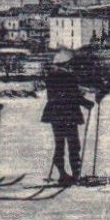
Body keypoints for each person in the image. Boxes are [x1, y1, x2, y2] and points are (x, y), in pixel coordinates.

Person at [40, 50, 92, 185]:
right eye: (70, 63)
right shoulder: (69, 77)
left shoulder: (50, 77)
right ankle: (76, 173)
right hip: (68, 114)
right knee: (73, 144)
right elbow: (73, 95)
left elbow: (60, 94)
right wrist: (87, 103)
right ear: (65, 63)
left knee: (60, 144)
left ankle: (62, 173)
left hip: (55, 114)